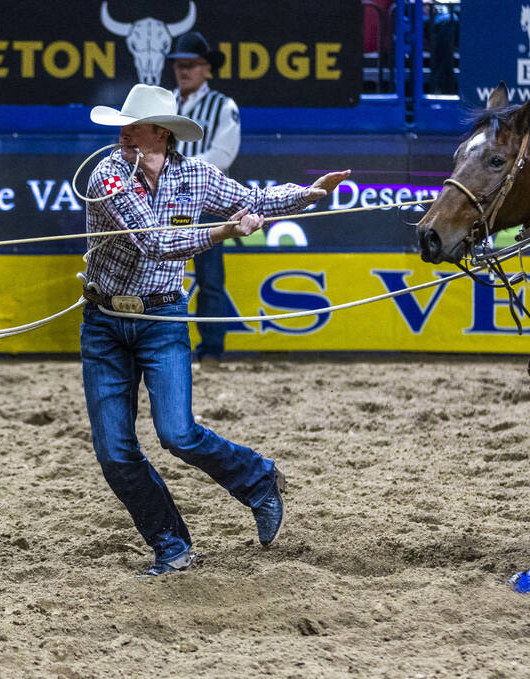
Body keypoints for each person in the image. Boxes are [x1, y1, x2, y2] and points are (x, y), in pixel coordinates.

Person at [82, 83, 350, 576]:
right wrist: (224, 231)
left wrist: (308, 194)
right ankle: (171, 544)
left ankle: (257, 480)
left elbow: (253, 200)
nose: (123, 132)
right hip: (104, 323)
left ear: (160, 133)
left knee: (177, 433)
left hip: (160, 318)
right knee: (115, 453)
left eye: (133, 125)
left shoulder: (198, 177)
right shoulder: (108, 176)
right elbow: (156, 243)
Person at [168, 32, 241, 369]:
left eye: (191, 65)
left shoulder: (224, 106)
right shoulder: (164, 103)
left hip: (206, 203)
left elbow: (223, 154)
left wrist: (178, 172)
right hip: (166, 204)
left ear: (207, 69)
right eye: (179, 65)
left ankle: (211, 350)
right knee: (162, 277)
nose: (184, 71)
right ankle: (165, 346)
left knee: (210, 278)